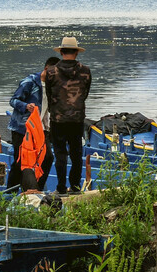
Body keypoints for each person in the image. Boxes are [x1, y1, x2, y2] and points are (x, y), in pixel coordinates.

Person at [44, 36, 92, 195]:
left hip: (58, 118)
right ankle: (76, 187)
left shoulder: (51, 72)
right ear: (76, 53)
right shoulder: (85, 71)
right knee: (76, 152)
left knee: (60, 154)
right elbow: (85, 94)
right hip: (77, 118)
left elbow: (49, 94)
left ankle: (61, 188)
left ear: (62, 52)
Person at [6, 56, 59, 191]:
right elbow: (13, 100)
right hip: (22, 128)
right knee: (20, 162)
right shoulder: (30, 82)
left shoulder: (53, 86)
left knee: (47, 158)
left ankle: (36, 189)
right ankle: (9, 194)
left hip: (41, 129)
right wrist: (25, 106)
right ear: (47, 69)